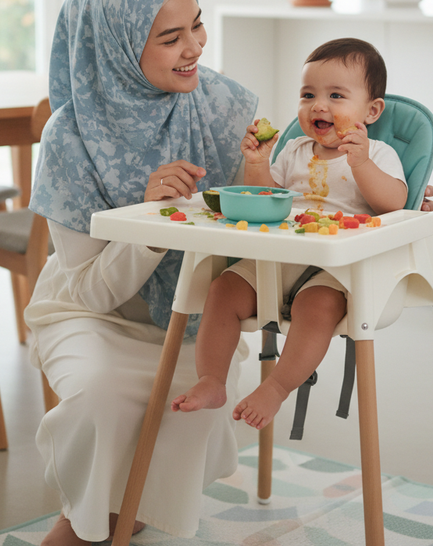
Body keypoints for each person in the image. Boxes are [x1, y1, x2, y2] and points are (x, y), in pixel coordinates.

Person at [24, 0, 259, 545]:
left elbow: (289, 174)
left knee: (191, 401)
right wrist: (151, 221)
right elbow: (88, 289)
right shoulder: (67, 139)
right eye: (171, 38)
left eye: (198, 26)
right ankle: (101, 526)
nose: (195, 48)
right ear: (119, 47)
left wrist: (379, 184)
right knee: (101, 397)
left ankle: (98, 529)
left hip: (193, 322)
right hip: (88, 315)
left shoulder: (218, 105)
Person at [171, 38, 408, 431]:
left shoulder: (377, 153)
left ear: (371, 110)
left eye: (336, 95)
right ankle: (212, 379)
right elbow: (265, 198)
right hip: (279, 259)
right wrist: (258, 163)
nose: (319, 105)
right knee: (223, 289)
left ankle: (277, 387)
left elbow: (394, 203)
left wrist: (361, 163)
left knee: (315, 308)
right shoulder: (295, 150)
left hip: (334, 270)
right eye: (308, 94)